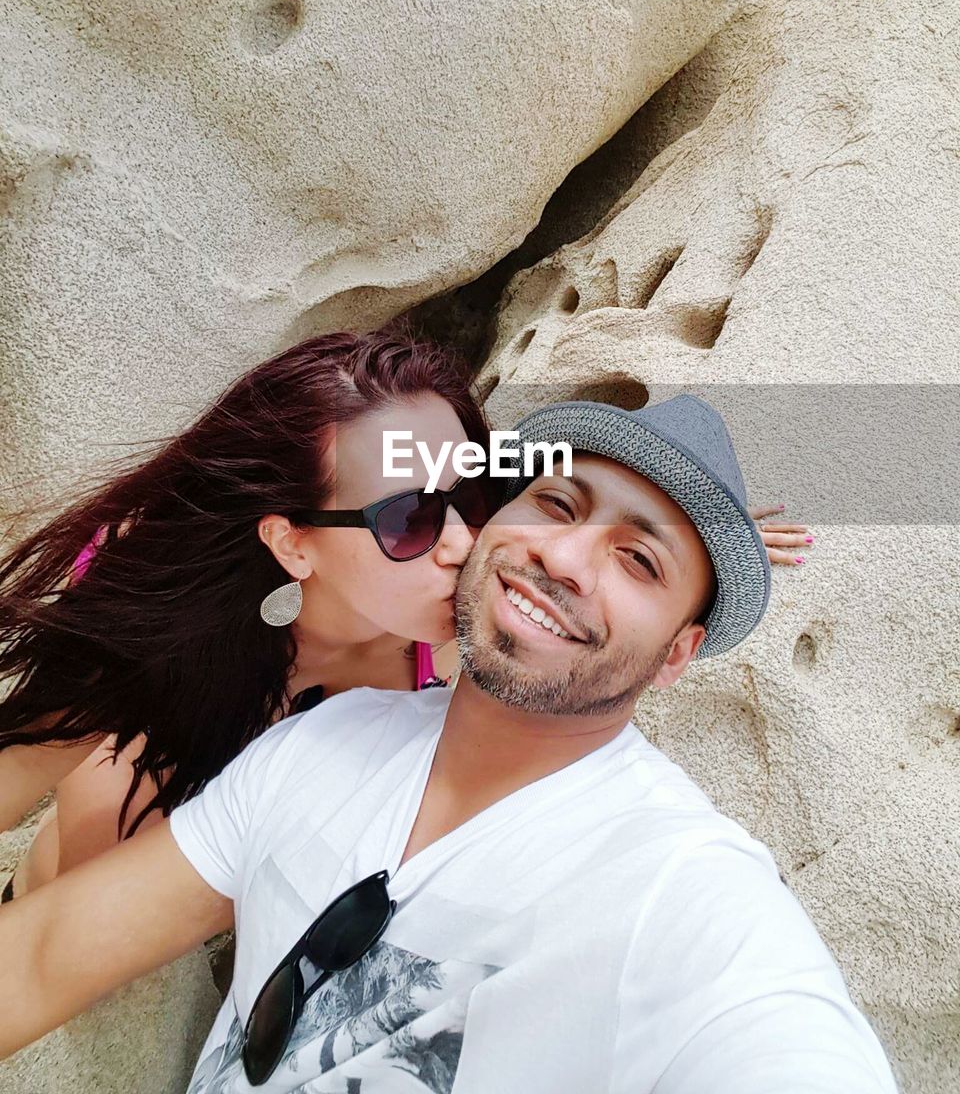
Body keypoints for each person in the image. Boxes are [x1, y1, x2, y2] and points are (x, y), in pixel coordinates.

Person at [0, 395, 894, 1092]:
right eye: (554, 505)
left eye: (640, 561)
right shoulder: (316, 743)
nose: (565, 558)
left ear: (679, 655)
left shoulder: (686, 896)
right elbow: (40, 959)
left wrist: (721, 534)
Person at [0, 329, 811, 900]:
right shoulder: (155, 624)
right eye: (411, 520)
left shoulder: (474, 645)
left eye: (479, 499)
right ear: (293, 543)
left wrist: (693, 528)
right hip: (73, 904)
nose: (463, 542)